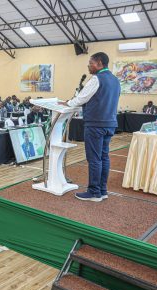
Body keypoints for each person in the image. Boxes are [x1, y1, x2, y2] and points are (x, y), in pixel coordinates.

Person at [59, 52, 121, 202]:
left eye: (90, 63)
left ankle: (93, 192)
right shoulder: (115, 80)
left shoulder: (96, 79)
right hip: (110, 123)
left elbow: (82, 98)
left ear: (99, 63)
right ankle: (102, 190)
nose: (88, 66)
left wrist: (68, 103)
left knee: (94, 159)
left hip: (95, 124)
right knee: (104, 157)